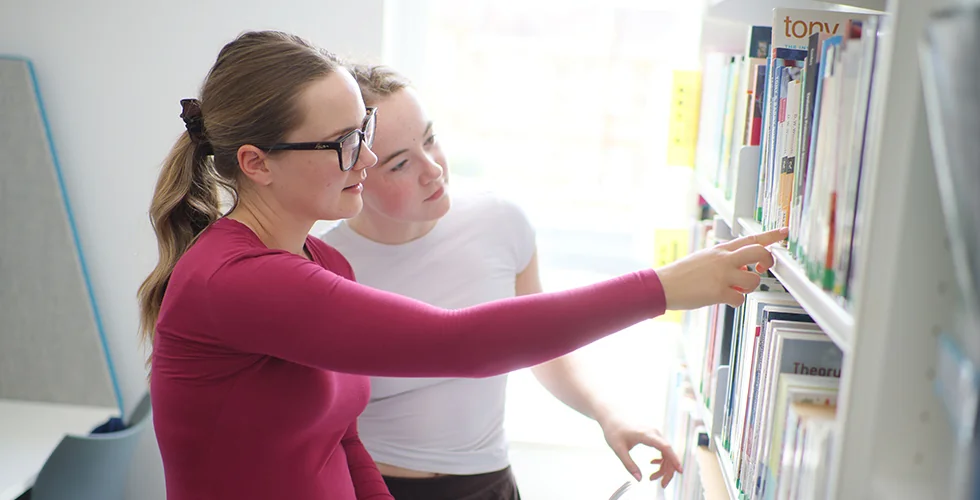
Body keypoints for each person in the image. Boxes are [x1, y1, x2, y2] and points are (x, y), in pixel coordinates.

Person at [137, 30, 785, 500]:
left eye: (362, 133)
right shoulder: (237, 283)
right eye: (342, 145)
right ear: (256, 163)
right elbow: (459, 342)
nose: (363, 160)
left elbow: (342, 438)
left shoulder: (320, 258)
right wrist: (662, 288)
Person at [319, 63, 685, 500]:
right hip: (373, 487)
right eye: (400, 164)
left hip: (489, 484)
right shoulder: (324, 266)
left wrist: (611, 416)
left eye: (431, 140)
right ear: (355, 173)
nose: (432, 169)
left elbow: (544, 347)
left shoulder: (500, 223)